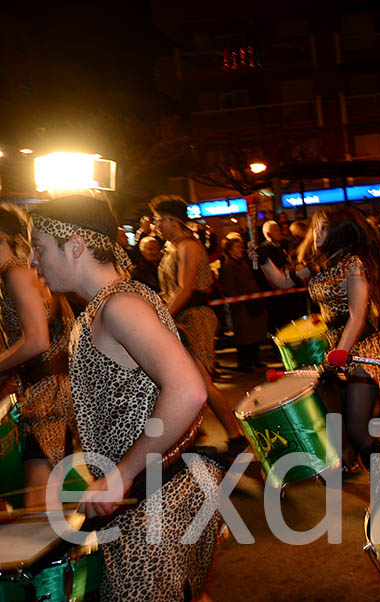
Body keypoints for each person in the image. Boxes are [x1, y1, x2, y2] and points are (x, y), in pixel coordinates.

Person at [29, 195, 223, 600]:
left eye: (39, 248)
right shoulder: (107, 303)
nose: (33, 261)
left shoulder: (120, 305)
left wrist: (121, 474)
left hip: (157, 500)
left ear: (76, 246)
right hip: (165, 491)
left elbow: (188, 390)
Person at [292, 207, 380, 472]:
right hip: (335, 348)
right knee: (340, 425)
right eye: (315, 226)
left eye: (324, 227)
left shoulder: (354, 264)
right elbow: (282, 282)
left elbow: (358, 316)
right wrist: (264, 259)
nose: (317, 232)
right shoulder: (320, 265)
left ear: (339, 231)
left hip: (362, 349)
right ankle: (366, 469)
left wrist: (338, 356)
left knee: (358, 430)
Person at [149, 195, 244, 450]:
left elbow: (185, 289)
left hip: (195, 318)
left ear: (173, 221)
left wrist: (161, 318)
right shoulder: (173, 246)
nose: (154, 226)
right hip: (179, 317)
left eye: (158, 221)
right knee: (181, 380)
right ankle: (192, 434)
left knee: (202, 381)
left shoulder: (188, 246)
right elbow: (171, 290)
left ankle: (236, 436)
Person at [0, 204, 74, 508]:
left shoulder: (15, 272)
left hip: (48, 396)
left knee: (39, 502)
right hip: (44, 393)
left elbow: (37, 341)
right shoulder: (16, 271)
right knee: (42, 497)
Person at [217, 234, 268, 372]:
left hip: (252, 304)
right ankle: (244, 362)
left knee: (255, 334)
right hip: (241, 307)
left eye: (241, 247)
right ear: (230, 249)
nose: (241, 250)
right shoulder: (228, 266)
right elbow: (229, 288)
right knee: (245, 337)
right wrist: (238, 300)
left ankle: (255, 360)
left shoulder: (243, 263)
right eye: (237, 247)